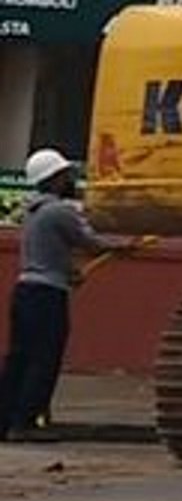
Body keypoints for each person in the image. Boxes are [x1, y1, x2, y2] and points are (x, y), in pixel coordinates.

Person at [0, 149, 133, 442]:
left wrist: (69, 271)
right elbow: (91, 241)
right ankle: (25, 423)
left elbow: (51, 251)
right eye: (65, 175)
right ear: (54, 179)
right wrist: (123, 246)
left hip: (26, 291)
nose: (70, 179)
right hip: (47, 295)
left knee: (19, 357)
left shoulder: (32, 211)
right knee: (44, 358)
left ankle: (6, 419)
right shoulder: (59, 211)